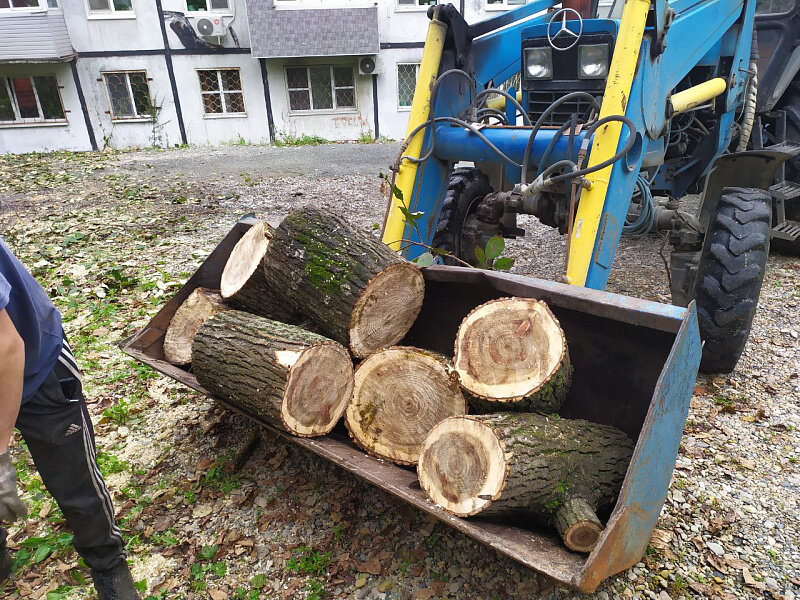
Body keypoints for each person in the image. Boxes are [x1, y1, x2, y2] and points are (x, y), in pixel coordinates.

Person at [0, 236, 139, 600]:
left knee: (74, 482)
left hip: (33, 361)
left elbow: (7, 347)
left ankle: (109, 564)